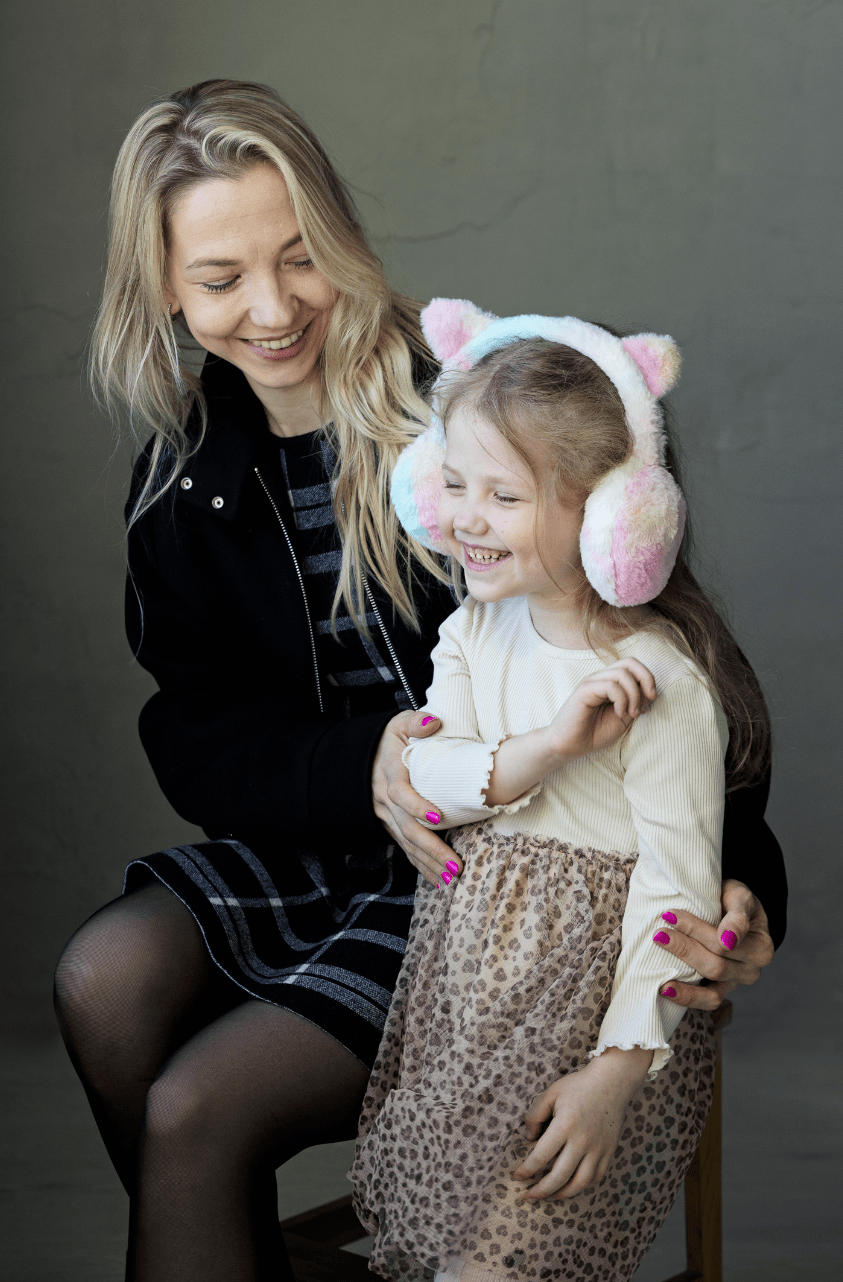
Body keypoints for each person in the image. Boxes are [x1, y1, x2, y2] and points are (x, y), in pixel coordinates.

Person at [50, 81, 785, 1282]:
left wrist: (746, 878)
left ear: (341, 235)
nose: (274, 308)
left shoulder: (478, 401)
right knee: (102, 977)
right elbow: (194, 733)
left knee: (196, 1111)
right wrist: (365, 766)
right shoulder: (183, 481)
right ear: (166, 289)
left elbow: (660, 651)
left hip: (497, 881)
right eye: (222, 278)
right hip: (323, 845)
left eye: (299, 256)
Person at [350, 302, 779, 1282]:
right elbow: (428, 780)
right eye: (452, 483)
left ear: (615, 514)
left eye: (501, 495)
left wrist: (614, 1075)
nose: (464, 518)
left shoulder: (662, 681)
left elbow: (676, 895)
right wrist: (547, 747)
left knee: (502, 1261)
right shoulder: (470, 632)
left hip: (604, 1025)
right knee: (444, 1249)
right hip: (469, 1009)